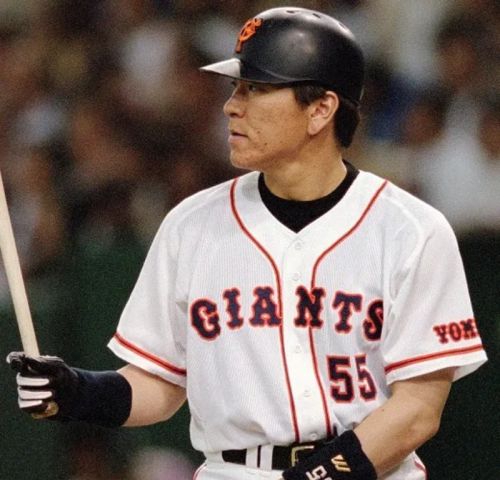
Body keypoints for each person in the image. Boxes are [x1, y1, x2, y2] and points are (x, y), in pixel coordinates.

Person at [7, 7, 487, 480]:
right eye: (237, 87)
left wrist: (316, 477)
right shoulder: (191, 225)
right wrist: (78, 392)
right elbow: (160, 384)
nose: (231, 105)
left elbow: (418, 410)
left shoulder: (411, 230)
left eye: (255, 89)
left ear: (321, 109)